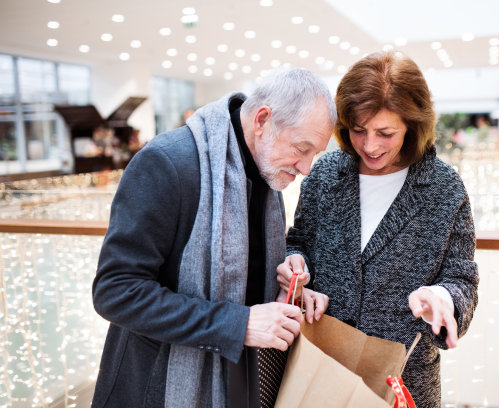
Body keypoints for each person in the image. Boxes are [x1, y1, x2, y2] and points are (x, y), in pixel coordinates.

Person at [91, 68, 335, 408]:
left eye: (315, 154)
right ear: (263, 120)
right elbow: (115, 291)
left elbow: (244, 279)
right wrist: (238, 324)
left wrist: (289, 290)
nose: (306, 168)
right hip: (157, 387)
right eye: (301, 148)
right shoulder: (167, 162)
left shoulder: (268, 170)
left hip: (240, 382)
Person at [277, 52, 479, 408]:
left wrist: (443, 298)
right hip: (319, 369)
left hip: (403, 382)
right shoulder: (324, 175)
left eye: (386, 133)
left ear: (413, 125)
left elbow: (461, 278)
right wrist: (297, 271)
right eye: (358, 130)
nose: (369, 146)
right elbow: (299, 243)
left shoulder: (444, 188)